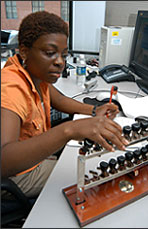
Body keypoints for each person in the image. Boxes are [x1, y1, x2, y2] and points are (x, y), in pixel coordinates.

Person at [1, 11, 128, 198]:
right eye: (50, 53)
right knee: (97, 172)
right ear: (24, 51)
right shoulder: (12, 86)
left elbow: (59, 100)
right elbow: (4, 161)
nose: (60, 62)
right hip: (18, 174)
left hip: (36, 158)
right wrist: (69, 130)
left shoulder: (34, 72)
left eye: (64, 54)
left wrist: (94, 110)